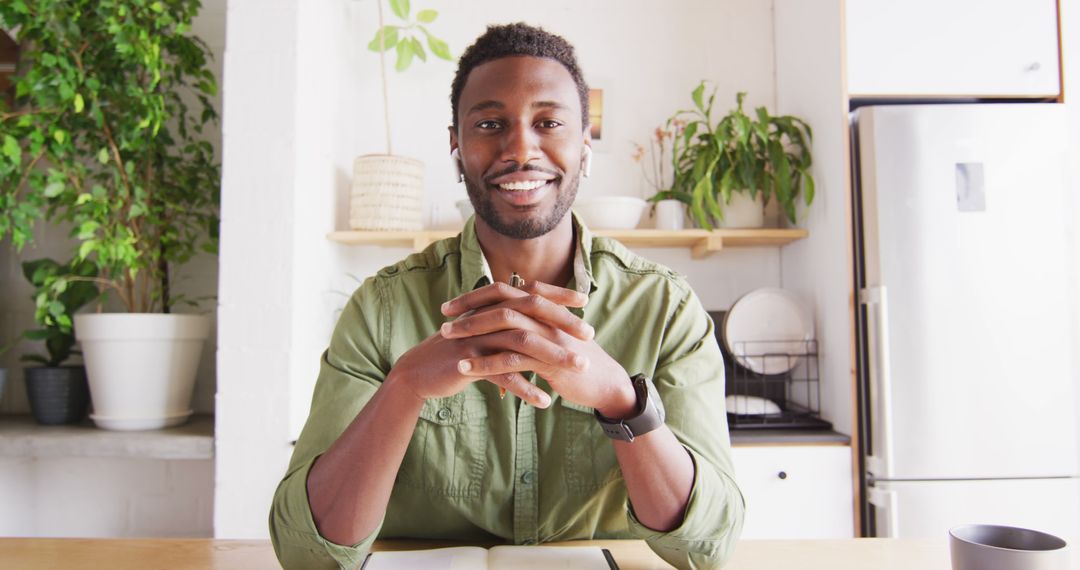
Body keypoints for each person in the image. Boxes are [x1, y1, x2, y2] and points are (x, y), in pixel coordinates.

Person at [269, 22, 744, 570]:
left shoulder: (665, 309)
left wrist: (621, 399)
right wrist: (404, 387)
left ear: (584, 145)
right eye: (490, 123)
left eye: (549, 122)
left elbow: (707, 547)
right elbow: (307, 554)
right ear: (456, 144)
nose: (520, 148)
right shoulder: (381, 310)